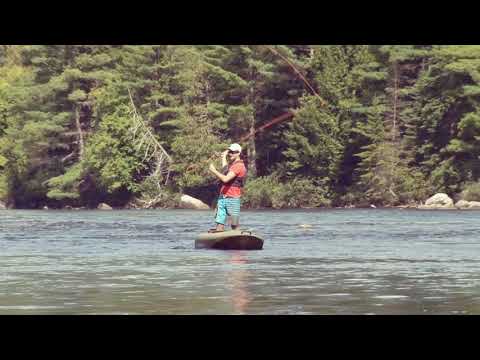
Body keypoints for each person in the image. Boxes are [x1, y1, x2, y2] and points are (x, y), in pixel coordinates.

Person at [208, 143, 247, 232]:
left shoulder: (239, 166)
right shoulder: (232, 165)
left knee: (234, 225)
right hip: (222, 198)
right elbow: (225, 170)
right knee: (219, 225)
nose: (231, 154)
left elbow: (225, 179)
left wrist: (213, 170)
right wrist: (223, 157)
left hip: (233, 198)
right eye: (230, 152)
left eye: (233, 152)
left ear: (238, 153)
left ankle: (239, 240)